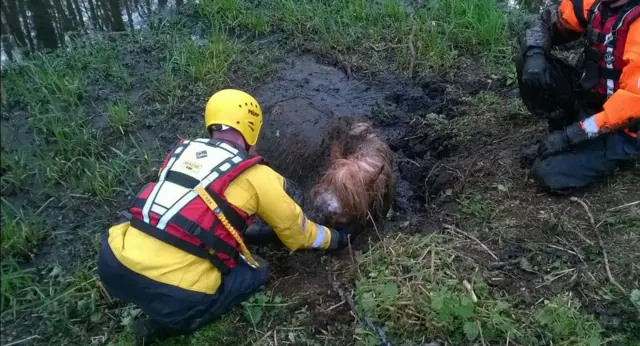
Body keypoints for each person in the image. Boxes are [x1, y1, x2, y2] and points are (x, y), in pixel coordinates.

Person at [97, 89, 355, 345]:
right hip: (175, 293)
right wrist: (336, 239)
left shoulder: (182, 151)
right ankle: (171, 325)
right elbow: (298, 235)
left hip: (112, 264)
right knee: (257, 271)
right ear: (252, 131)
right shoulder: (259, 176)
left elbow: (194, 210)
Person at [517, 0, 640, 193]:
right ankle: (564, 126)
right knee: (531, 62)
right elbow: (545, 22)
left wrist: (570, 136)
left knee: (549, 173)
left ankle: (619, 152)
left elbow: (633, 104)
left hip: (624, 128)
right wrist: (535, 52)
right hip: (589, 103)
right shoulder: (592, 3)